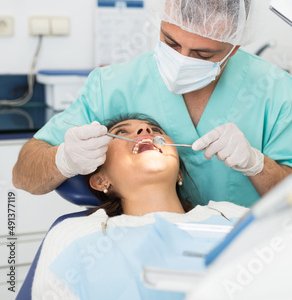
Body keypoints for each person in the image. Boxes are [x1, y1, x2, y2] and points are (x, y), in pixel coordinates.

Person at [12, 0, 292, 207]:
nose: (183, 58)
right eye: (170, 42)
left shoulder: (277, 92)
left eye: (202, 54)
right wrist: (63, 159)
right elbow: (23, 173)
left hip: (243, 256)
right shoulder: (114, 85)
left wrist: (257, 164)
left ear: (234, 47)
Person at [32, 115, 248, 300]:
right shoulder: (75, 235)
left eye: (154, 130)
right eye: (121, 132)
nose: (145, 130)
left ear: (179, 174)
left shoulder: (231, 216)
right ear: (101, 180)